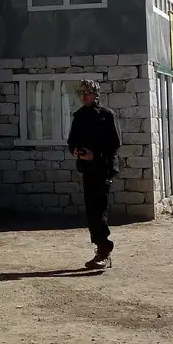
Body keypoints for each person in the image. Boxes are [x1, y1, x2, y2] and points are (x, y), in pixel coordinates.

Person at [66, 79, 121, 270]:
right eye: (81, 94)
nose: (84, 97)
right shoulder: (79, 116)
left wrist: (95, 155)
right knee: (92, 211)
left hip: (103, 169)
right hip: (87, 169)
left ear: (96, 94)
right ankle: (100, 248)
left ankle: (104, 250)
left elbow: (114, 144)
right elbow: (71, 140)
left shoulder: (107, 116)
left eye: (87, 94)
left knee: (99, 210)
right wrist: (75, 151)